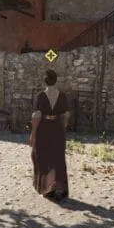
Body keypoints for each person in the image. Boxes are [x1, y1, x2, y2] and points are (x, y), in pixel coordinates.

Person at [29, 69, 70, 201]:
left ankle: (47, 186)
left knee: (42, 156)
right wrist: (62, 129)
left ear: (45, 81)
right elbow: (65, 116)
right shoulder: (62, 96)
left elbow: (37, 116)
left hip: (44, 129)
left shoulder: (41, 96)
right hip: (57, 128)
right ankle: (58, 187)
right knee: (57, 158)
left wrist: (33, 133)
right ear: (56, 80)